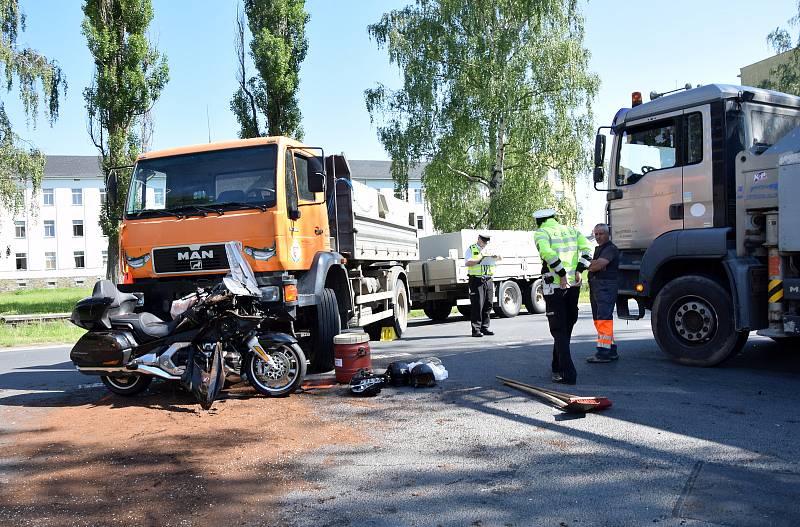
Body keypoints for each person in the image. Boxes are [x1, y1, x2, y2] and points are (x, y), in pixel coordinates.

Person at [533, 209, 593, 385]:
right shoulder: (572, 231)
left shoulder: (541, 232)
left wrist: (560, 272)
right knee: (566, 326)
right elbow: (587, 249)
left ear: (539, 221)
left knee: (559, 329)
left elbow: (547, 253)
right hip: (574, 285)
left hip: (554, 285)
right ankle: (557, 365)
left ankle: (568, 373)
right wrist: (580, 270)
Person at [586, 223, 620, 363]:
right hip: (598, 286)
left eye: (601, 234)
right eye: (596, 234)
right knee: (600, 320)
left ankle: (603, 353)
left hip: (605, 287)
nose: (598, 236)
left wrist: (590, 264)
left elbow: (597, 266)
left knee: (603, 320)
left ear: (608, 234)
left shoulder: (610, 249)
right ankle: (611, 350)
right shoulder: (600, 249)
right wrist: (593, 264)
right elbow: (595, 266)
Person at [464, 233, 497, 337]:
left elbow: (499, 258)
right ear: (478, 239)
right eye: (484, 241)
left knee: (488, 304)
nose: (485, 243)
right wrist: (480, 258)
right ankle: (476, 330)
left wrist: (497, 256)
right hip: (476, 280)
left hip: (488, 279)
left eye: (487, 241)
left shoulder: (489, 249)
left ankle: (485, 327)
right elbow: (468, 262)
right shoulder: (471, 248)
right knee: (477, 305)